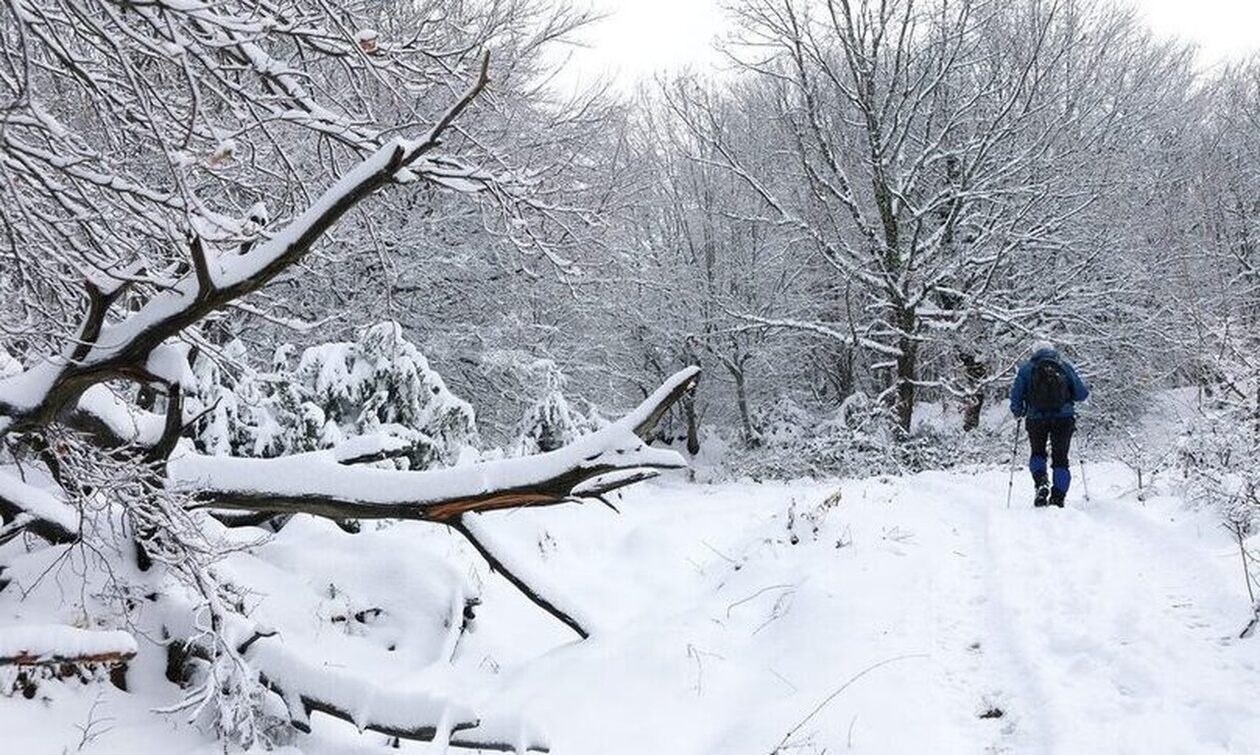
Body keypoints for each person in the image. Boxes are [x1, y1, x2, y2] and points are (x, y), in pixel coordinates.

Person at [1009, 339, 1089, 508]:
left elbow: (1016, 396)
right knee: (1061, 458)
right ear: (1052, 351)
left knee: (1037, 453)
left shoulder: (1026, 369)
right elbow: (1081, 394)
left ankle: (1041, 483)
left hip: (1036, 419)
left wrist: (1018, 412)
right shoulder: (1064, 366)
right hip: (1064, 418)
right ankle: (1058, 497)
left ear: (1034, 352)